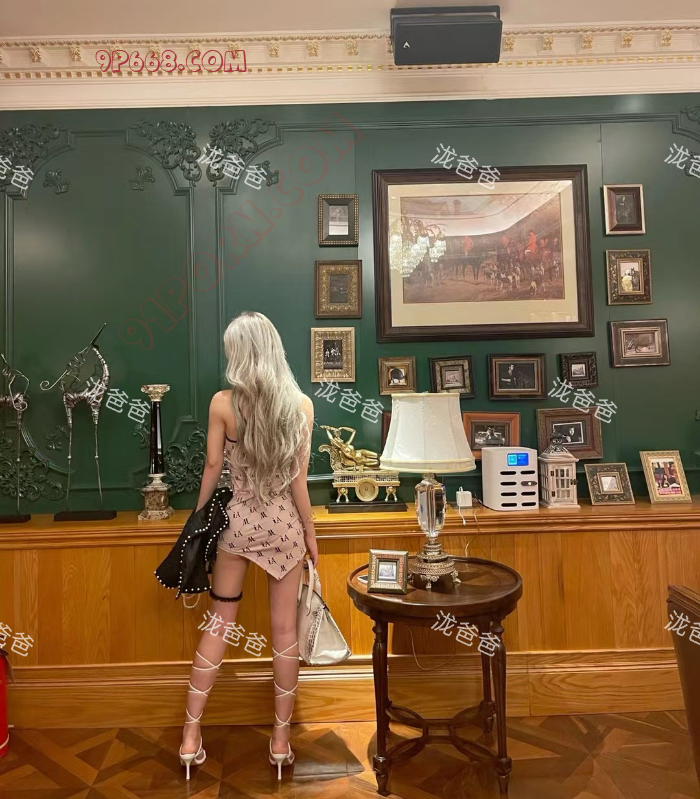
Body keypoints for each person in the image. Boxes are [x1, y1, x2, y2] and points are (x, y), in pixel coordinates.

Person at [179, 311, 317, 781]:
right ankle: (280, 741)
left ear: (238, 353)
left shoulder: (223, 403)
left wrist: (198, 520)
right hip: (284, 528)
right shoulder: (301, 406)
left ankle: (190, 736)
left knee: (219, 622)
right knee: (284, 632)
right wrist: (311, 534)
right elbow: (298, 482)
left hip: (237, 525)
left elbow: (212, 467)